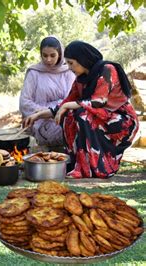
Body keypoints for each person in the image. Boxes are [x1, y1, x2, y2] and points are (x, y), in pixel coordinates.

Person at [23, 41, 139, 178]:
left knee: (82, 114)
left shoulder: (107, 69)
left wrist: (67, 106)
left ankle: (95, 168)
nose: (69, 67)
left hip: (121, 119)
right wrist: (37, 115)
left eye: (71, 63)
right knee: (69, 115)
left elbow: (98, 101)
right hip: (100, 118)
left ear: (82, 59)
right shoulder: (80, 79)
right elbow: (63, 105)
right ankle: (79, 165)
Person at [19, 36, 76, 146]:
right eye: (44, 55)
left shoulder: (68, 72)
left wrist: (58, 112)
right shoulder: (34, 73)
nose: (48, 59)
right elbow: (24, 103)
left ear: (60, 54)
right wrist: (46, 113)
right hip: (40, 121)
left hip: (64, 117)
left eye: (52, 55)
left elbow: (72, 99)